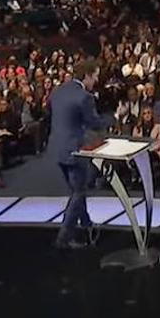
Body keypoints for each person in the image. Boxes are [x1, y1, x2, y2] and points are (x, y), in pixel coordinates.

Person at [51, 58, 109, 249]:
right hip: (75, 150)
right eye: (95, 77)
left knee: (77, 190)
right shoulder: (85, 97)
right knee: (79, 192)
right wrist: (111, 122)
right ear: (87, 76)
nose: (96, 81)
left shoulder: (58, 91)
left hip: (57, 148)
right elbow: (94, 123)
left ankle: (86, 224)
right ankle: (63, 238)